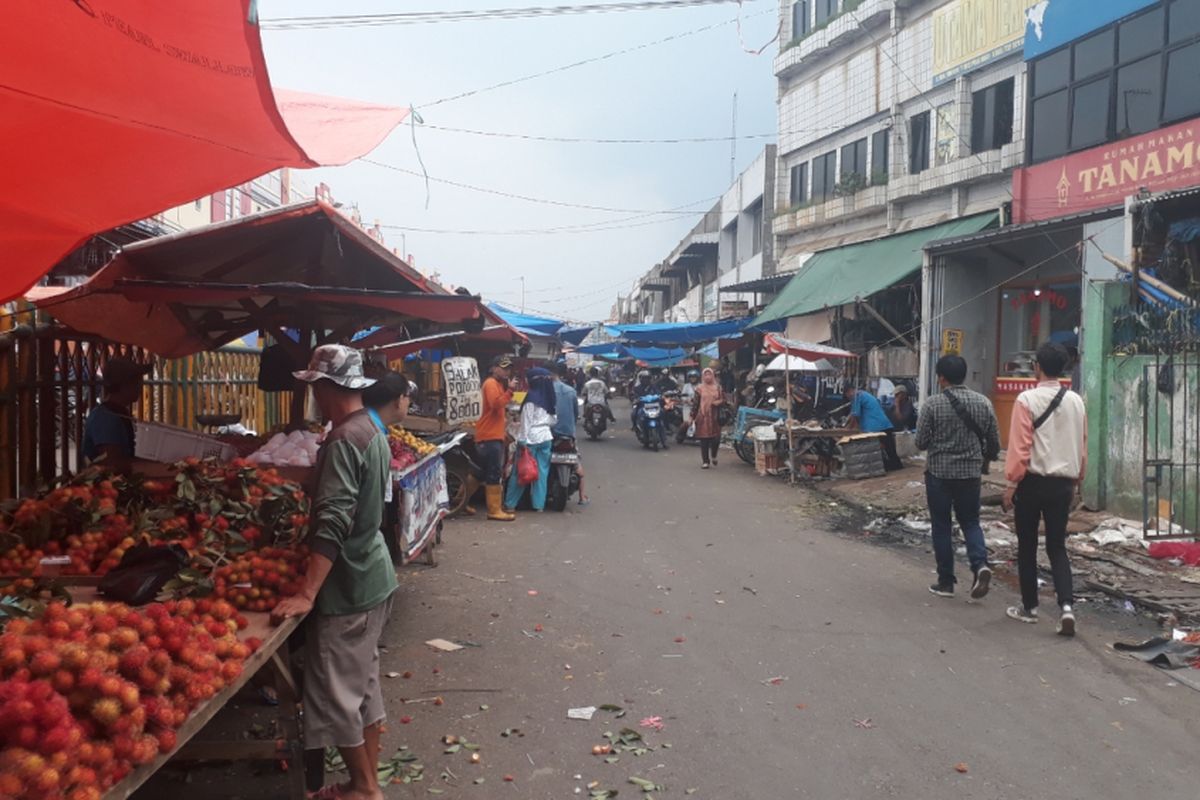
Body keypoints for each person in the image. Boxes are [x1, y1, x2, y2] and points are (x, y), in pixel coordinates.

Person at [272, 345, 396, 800]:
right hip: (373, 574)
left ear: (325, 388)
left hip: (349, 587)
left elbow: (333, 521)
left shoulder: (344, 439)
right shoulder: (371, 429)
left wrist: (308, 592)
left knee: (339, 695)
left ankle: (364, 790)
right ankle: (363, 784)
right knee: (363, 688)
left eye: (314, 388)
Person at [1002, 342, 1087, 636]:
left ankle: (1030, 608)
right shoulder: (1077, 401)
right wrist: (1078, 481)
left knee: (1027, 546)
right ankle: (1066, 607)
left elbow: (1020, 447)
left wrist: (1012, 482)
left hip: (1033, 482)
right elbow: (1082, 445)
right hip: (1064, 483)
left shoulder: (1026, 400)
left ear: (1038, 366)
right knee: (1057, 546)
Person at [915, 356, 1001, 600]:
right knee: (971, 522)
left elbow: (920, 442)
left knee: (941, 526)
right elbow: (994, 440)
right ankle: (980, 565)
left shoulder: (932, 405)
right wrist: (988, 457)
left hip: (939, 474)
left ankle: (946, 582)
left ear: (941, 378)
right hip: (970, 474)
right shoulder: (983, 403)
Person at [82, 357, 151, 475]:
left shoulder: (117, 412)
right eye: (137, 381)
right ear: (125, 385)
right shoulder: (106, 418)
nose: (141, 386)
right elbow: (112, 464)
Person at [505, 367, 557, 512]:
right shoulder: (550, 397)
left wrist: (521, 441)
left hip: (530, 440)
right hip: (546, 438)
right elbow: (554, 420)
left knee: (521, 471)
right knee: (541, 473)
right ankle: (538, 505)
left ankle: (510, 504)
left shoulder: (531, 398)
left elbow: (526, 422)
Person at [477, 356, 516, 521]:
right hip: (490, 435)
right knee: (493, 473)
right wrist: (510, 391)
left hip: (492, 434)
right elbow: (495, 404)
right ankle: (494, 510)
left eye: (508, 368)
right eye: (503, 368)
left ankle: (461, 502)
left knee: (478, 472)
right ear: (494, 368)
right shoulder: (491, 384)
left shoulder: (498, 384)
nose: (506, 371)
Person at [551, 364, 589, 505]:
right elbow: (575, 413)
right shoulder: (570, 391)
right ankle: (582, 497)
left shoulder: (544, 390)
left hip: (549, 434)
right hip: (568, 434)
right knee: (577, 462)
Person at [845, 385, 903, 471]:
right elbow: (853, 414)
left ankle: (887, 466)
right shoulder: (864, 394)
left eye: (847, 394)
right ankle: (896, 465)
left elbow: (855, 415)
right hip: (884, 424)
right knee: (890, 449)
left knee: (874, 450)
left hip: (875, 427)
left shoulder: (857, 396)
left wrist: (847, 429)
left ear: (849, 391)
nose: (848, 397)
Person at [692, 368, 725, 469]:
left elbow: (724, 400)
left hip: (715, 416)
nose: (707, 377)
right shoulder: (699, 388)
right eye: (705, 374)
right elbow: (695, 404)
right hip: (703, 416)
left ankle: (714, 455)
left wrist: (718, 402)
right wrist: (692, 417)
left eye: (709, 374)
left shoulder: (718, 387)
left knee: (716, 439)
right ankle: (705, 461)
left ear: (713, 375)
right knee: (704, 440)